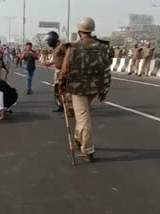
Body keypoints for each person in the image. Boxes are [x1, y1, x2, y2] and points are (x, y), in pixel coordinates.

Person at [59, 17, 112, 162]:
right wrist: (104, 89)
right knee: (82, 114)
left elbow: (64, 70)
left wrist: (61, 85)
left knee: (83, 117)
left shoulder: (73, 46)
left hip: (78, 88)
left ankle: (88, 150)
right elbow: (106, 68)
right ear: (92, 30)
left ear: (79, 31)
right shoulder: (102, 46)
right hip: (95, 87)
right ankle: (78, 138)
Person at [44, 31, 68, 113]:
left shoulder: (62, 46)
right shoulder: (55, 48)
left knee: (63, 89)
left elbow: (68, 57)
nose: (48, 43)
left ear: (53, 39)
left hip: (63, 70)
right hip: (57, 70)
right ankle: (61, 105)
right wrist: (49, 63)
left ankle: (68, 107)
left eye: (49, 41)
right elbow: (57, 59)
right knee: (56, 89)